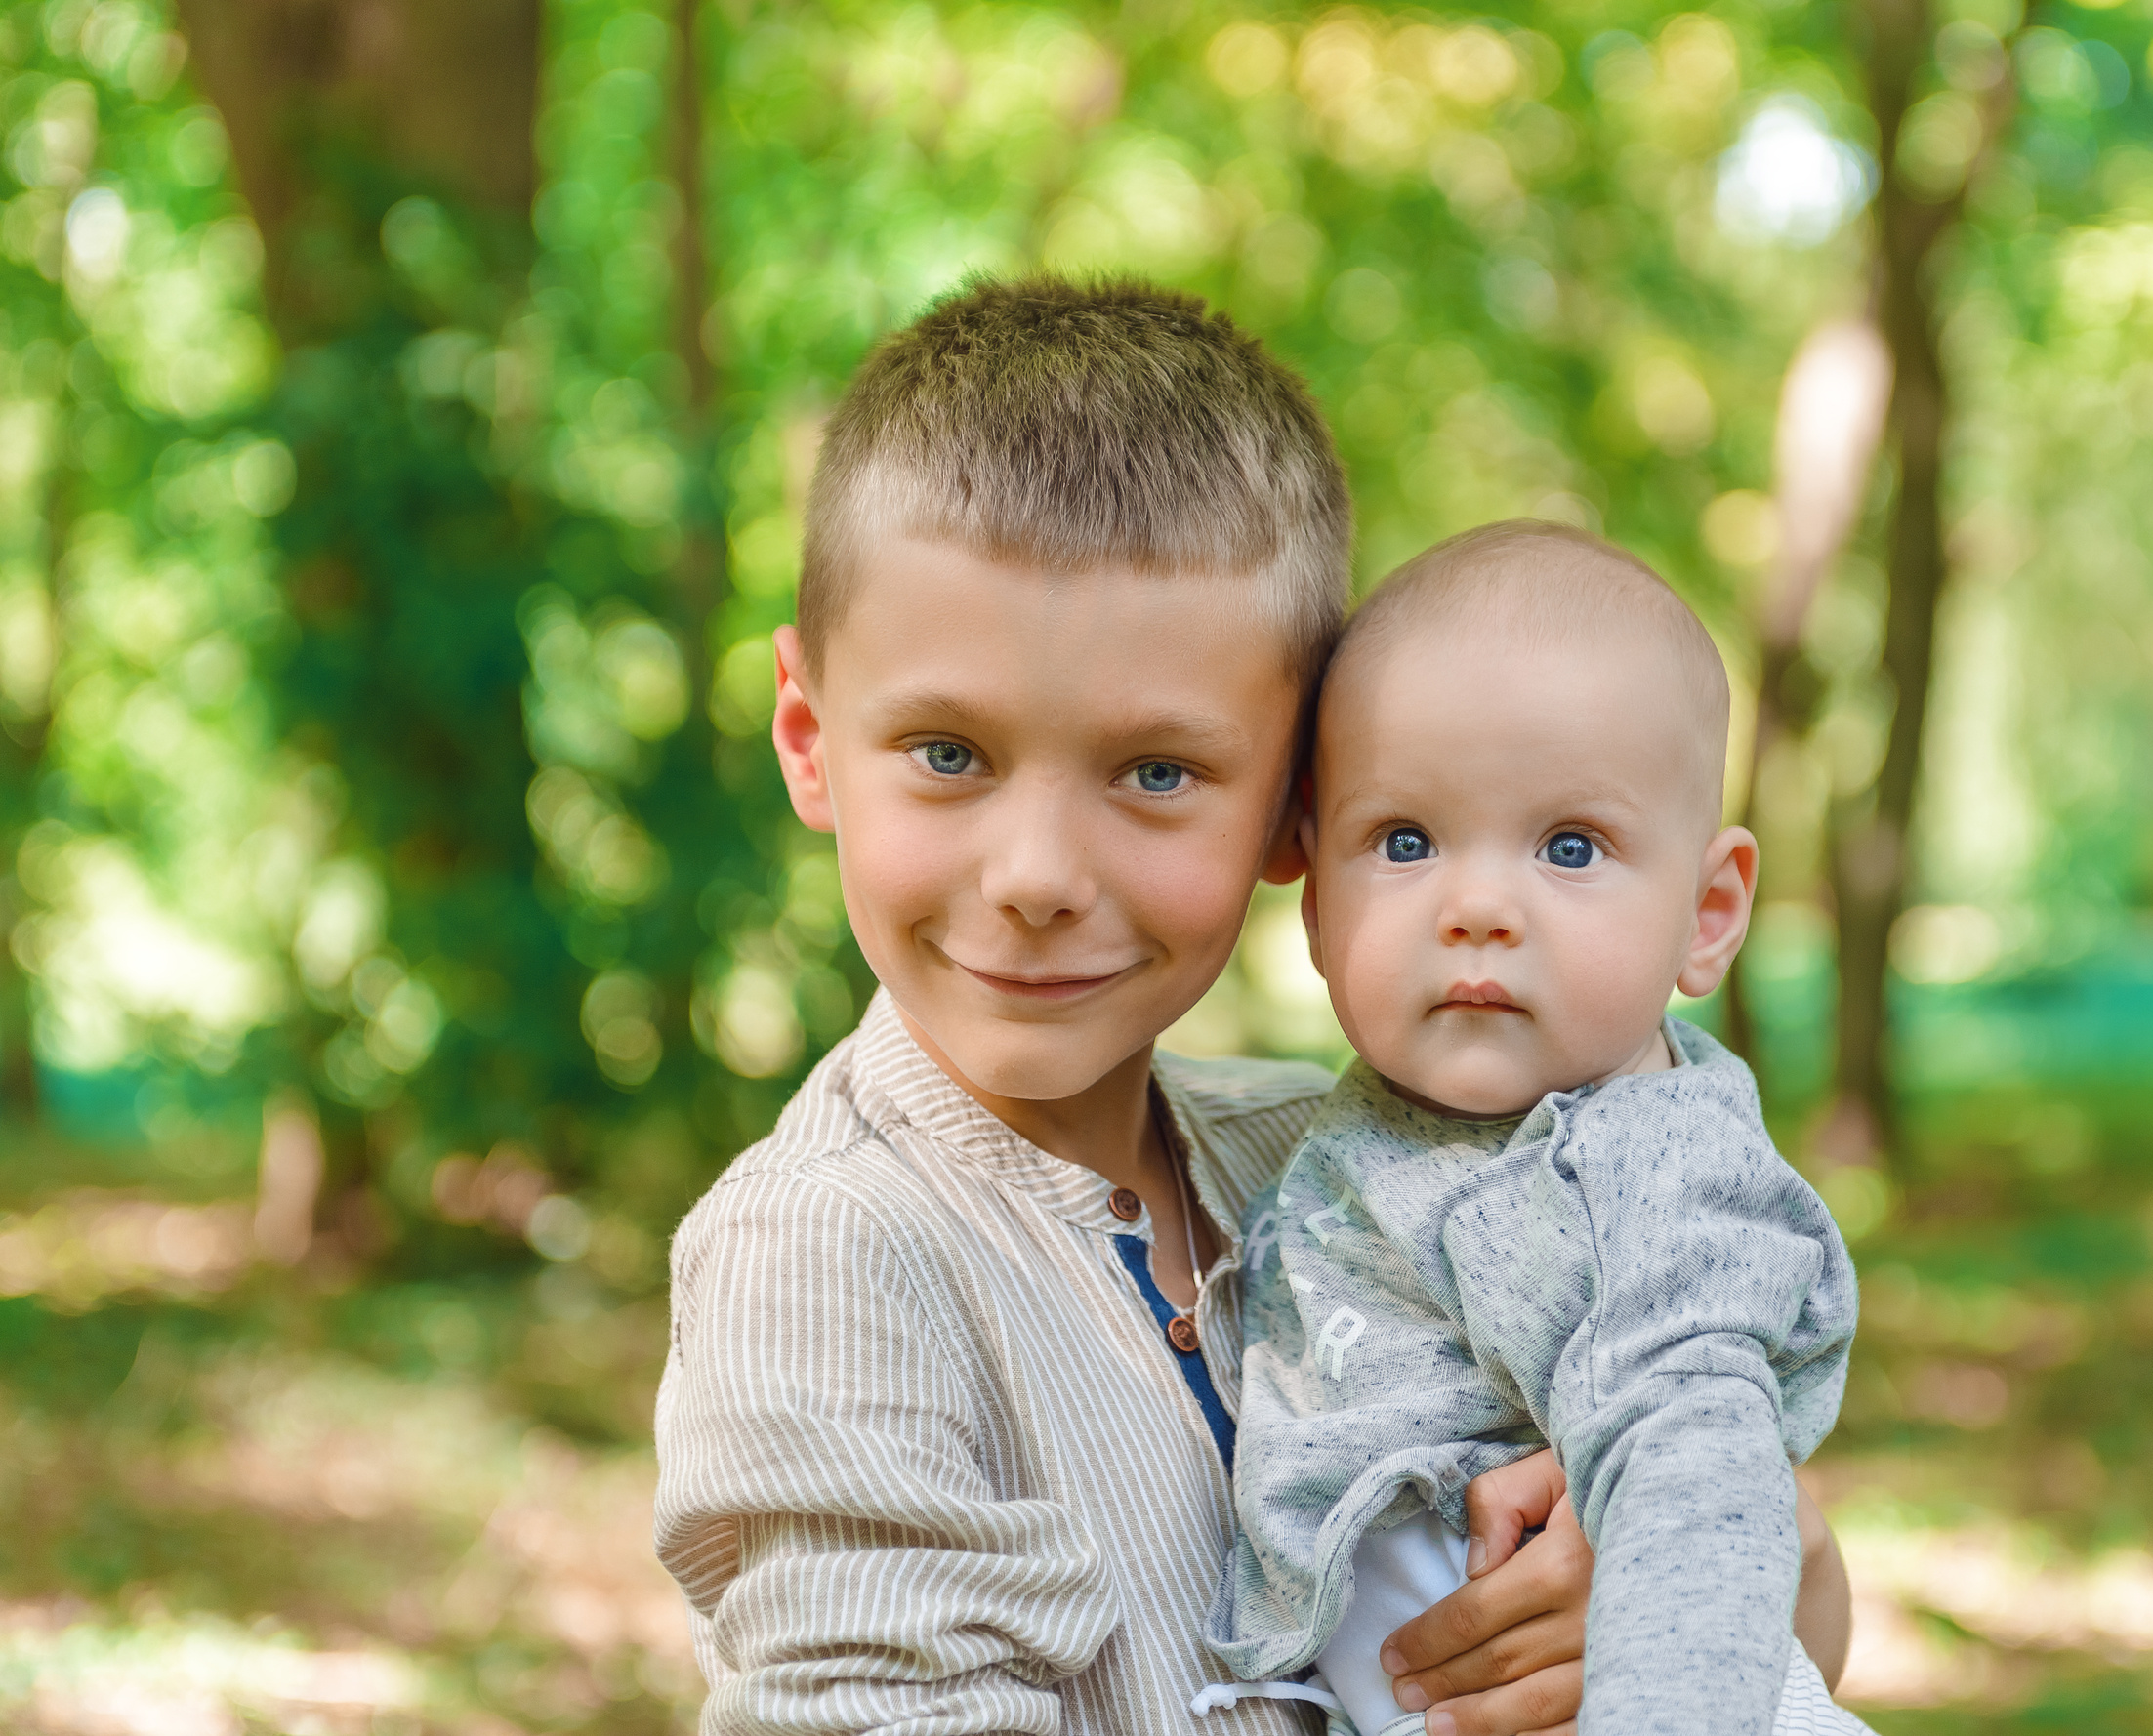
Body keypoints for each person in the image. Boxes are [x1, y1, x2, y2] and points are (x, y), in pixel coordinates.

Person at [652, 276, 1847, 1736]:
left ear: (1294, 811)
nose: (1037, 877)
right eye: (948, 752)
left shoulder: (1350, 1153)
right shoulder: (830, 1255)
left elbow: (1795, 1628)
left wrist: (1706, 1548)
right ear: (807, 734)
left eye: (1157, 772)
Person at [1200, 522, 1867, 1736]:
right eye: (1405, 841)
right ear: (1313, 897)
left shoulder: (1632, 1169)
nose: (1477, 906)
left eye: (1569, 846)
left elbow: (1698, 1485)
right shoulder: (1389, 1125)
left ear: (1707, 913)